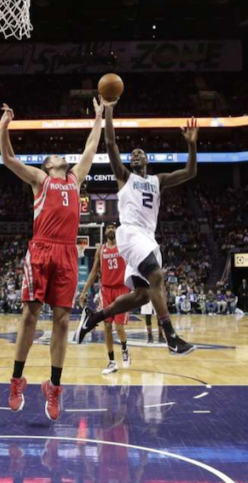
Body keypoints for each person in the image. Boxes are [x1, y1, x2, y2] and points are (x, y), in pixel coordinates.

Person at [3, 99, 104, 421]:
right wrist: (5, 125)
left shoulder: (75, 179)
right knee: (30, 315)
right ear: (48, 165)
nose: (63, 155)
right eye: (56, 155)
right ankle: (17, 380)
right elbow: (7, 157)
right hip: (42, 250)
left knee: (62, 321)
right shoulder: (39, 179)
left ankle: (54, 387)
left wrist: (99, 118)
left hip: (67, 251)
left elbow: (90, 147)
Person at [77, 103, 198, 356]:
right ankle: (171, 337)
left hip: (147, 238)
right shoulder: (124, 176)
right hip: (130, 234)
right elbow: (110, 145)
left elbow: (190, 171)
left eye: (139, 152)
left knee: (142, 296)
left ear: (146, 160)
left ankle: (93, 317)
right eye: (131, 153)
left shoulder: (158, 181)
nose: (135, 155)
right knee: (156, 276)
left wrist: (192, 144)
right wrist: (109, 111)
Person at [78, 223, 132, 375]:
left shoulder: (124, 246)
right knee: (107, 327)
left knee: (119, 327)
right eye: (108, 228)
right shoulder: (100, 250)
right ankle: (112, 361)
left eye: (112, 227)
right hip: (106, 291)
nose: (110, 229)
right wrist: (83, 292)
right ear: (105, 232)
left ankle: (125, 348)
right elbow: (94, 271)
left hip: (122, 290)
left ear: (117, 230)